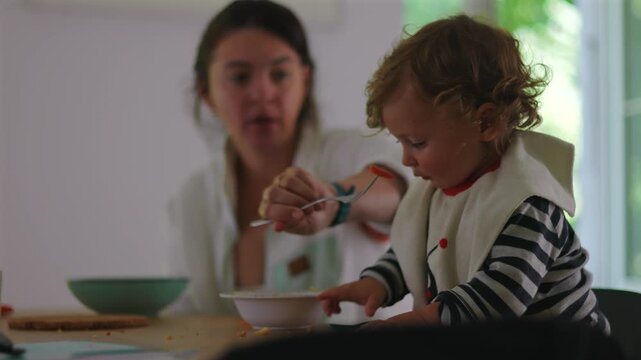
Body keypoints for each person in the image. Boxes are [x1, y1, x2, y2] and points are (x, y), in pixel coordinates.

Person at [267, 14, 611, 332]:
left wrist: (407, 326)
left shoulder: (526, 203)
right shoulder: (435, 192)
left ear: (485, 122)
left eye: (417, 142)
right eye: (400, 142)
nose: (405, 159)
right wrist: (376, 284)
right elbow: (411, 250)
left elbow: (495, 304)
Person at [165, 0, 412, 324]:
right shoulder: (191, 200)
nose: (262, 93)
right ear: (206, 92)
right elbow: (187, 320)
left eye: (280, 74)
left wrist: (334, 202)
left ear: (304, 81)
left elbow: (399, 188)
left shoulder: (348, 151)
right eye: (240, 78)